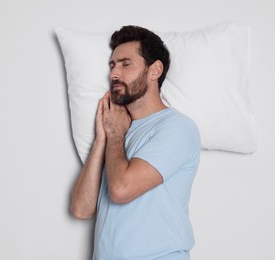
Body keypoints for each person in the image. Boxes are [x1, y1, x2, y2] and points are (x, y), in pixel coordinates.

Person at [70, 25, 201, 259]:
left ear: (155, 70)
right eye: (112, 65)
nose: (114, 74)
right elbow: (81, 209)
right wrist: (103, 138)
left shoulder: (177, 127)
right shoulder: (116, 133)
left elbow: (121, 190)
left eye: (125, 64)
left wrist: (116, 135)